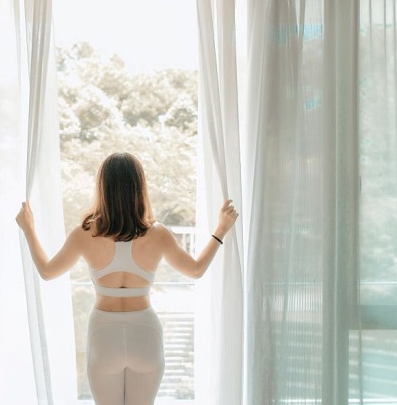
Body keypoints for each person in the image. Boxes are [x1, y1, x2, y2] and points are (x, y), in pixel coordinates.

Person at [15, 152, 238, 405]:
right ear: (139, 188)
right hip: (145, 331)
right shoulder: (158, 234)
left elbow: (46, 271)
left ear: (102, 188)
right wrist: (220, 229)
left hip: (103, 333)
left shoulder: (85, 234)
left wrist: (29, 229)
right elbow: (196, 270)